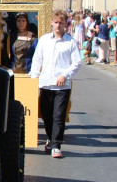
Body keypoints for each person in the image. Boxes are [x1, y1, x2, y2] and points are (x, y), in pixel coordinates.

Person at [29, 11, 82, 159]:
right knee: (47, 115)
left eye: (61, 23)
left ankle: (56, 145)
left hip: (62, 86)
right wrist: (34, 77)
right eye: (56, 22)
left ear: (65, 24)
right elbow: (37, 59)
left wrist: (65, 75)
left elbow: (77, 62)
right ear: (52, 23)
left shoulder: (70, 42)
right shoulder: (44, 40)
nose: (58, 25)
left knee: (59, 116)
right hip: (46, 84)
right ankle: (50, 139)